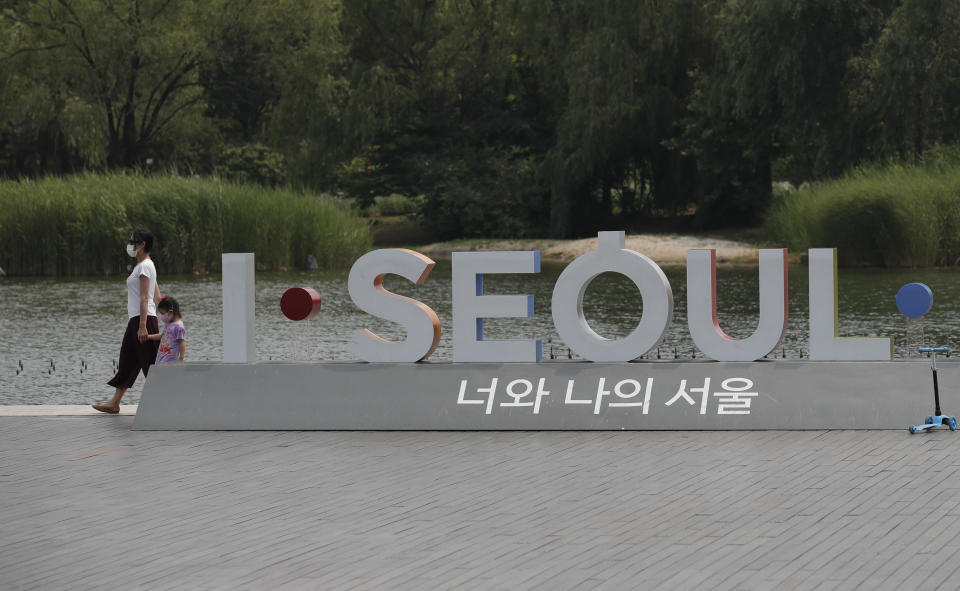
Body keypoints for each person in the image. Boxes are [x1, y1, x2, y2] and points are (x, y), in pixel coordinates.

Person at [93, 229, 162, 414]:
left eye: (134, 240)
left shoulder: (145, 267)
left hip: (143, 321)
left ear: (142, 245)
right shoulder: (144, 266)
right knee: (128, 360)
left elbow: (145, 298)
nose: (130, 243)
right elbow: (156, 295)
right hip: (136, 320)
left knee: (151, 364)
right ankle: (114, 403)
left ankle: (168, 402)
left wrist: (142, 327)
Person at [150, 296, 186, 364]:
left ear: (171, 312)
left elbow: (182, 342)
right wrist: (149, 337)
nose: (162, 316)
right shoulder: (168, 324)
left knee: (165, 373)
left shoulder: (179, 327)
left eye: (163, 314)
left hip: (170, 359)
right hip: (162, 355)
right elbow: (163, 336)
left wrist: (181, 358)